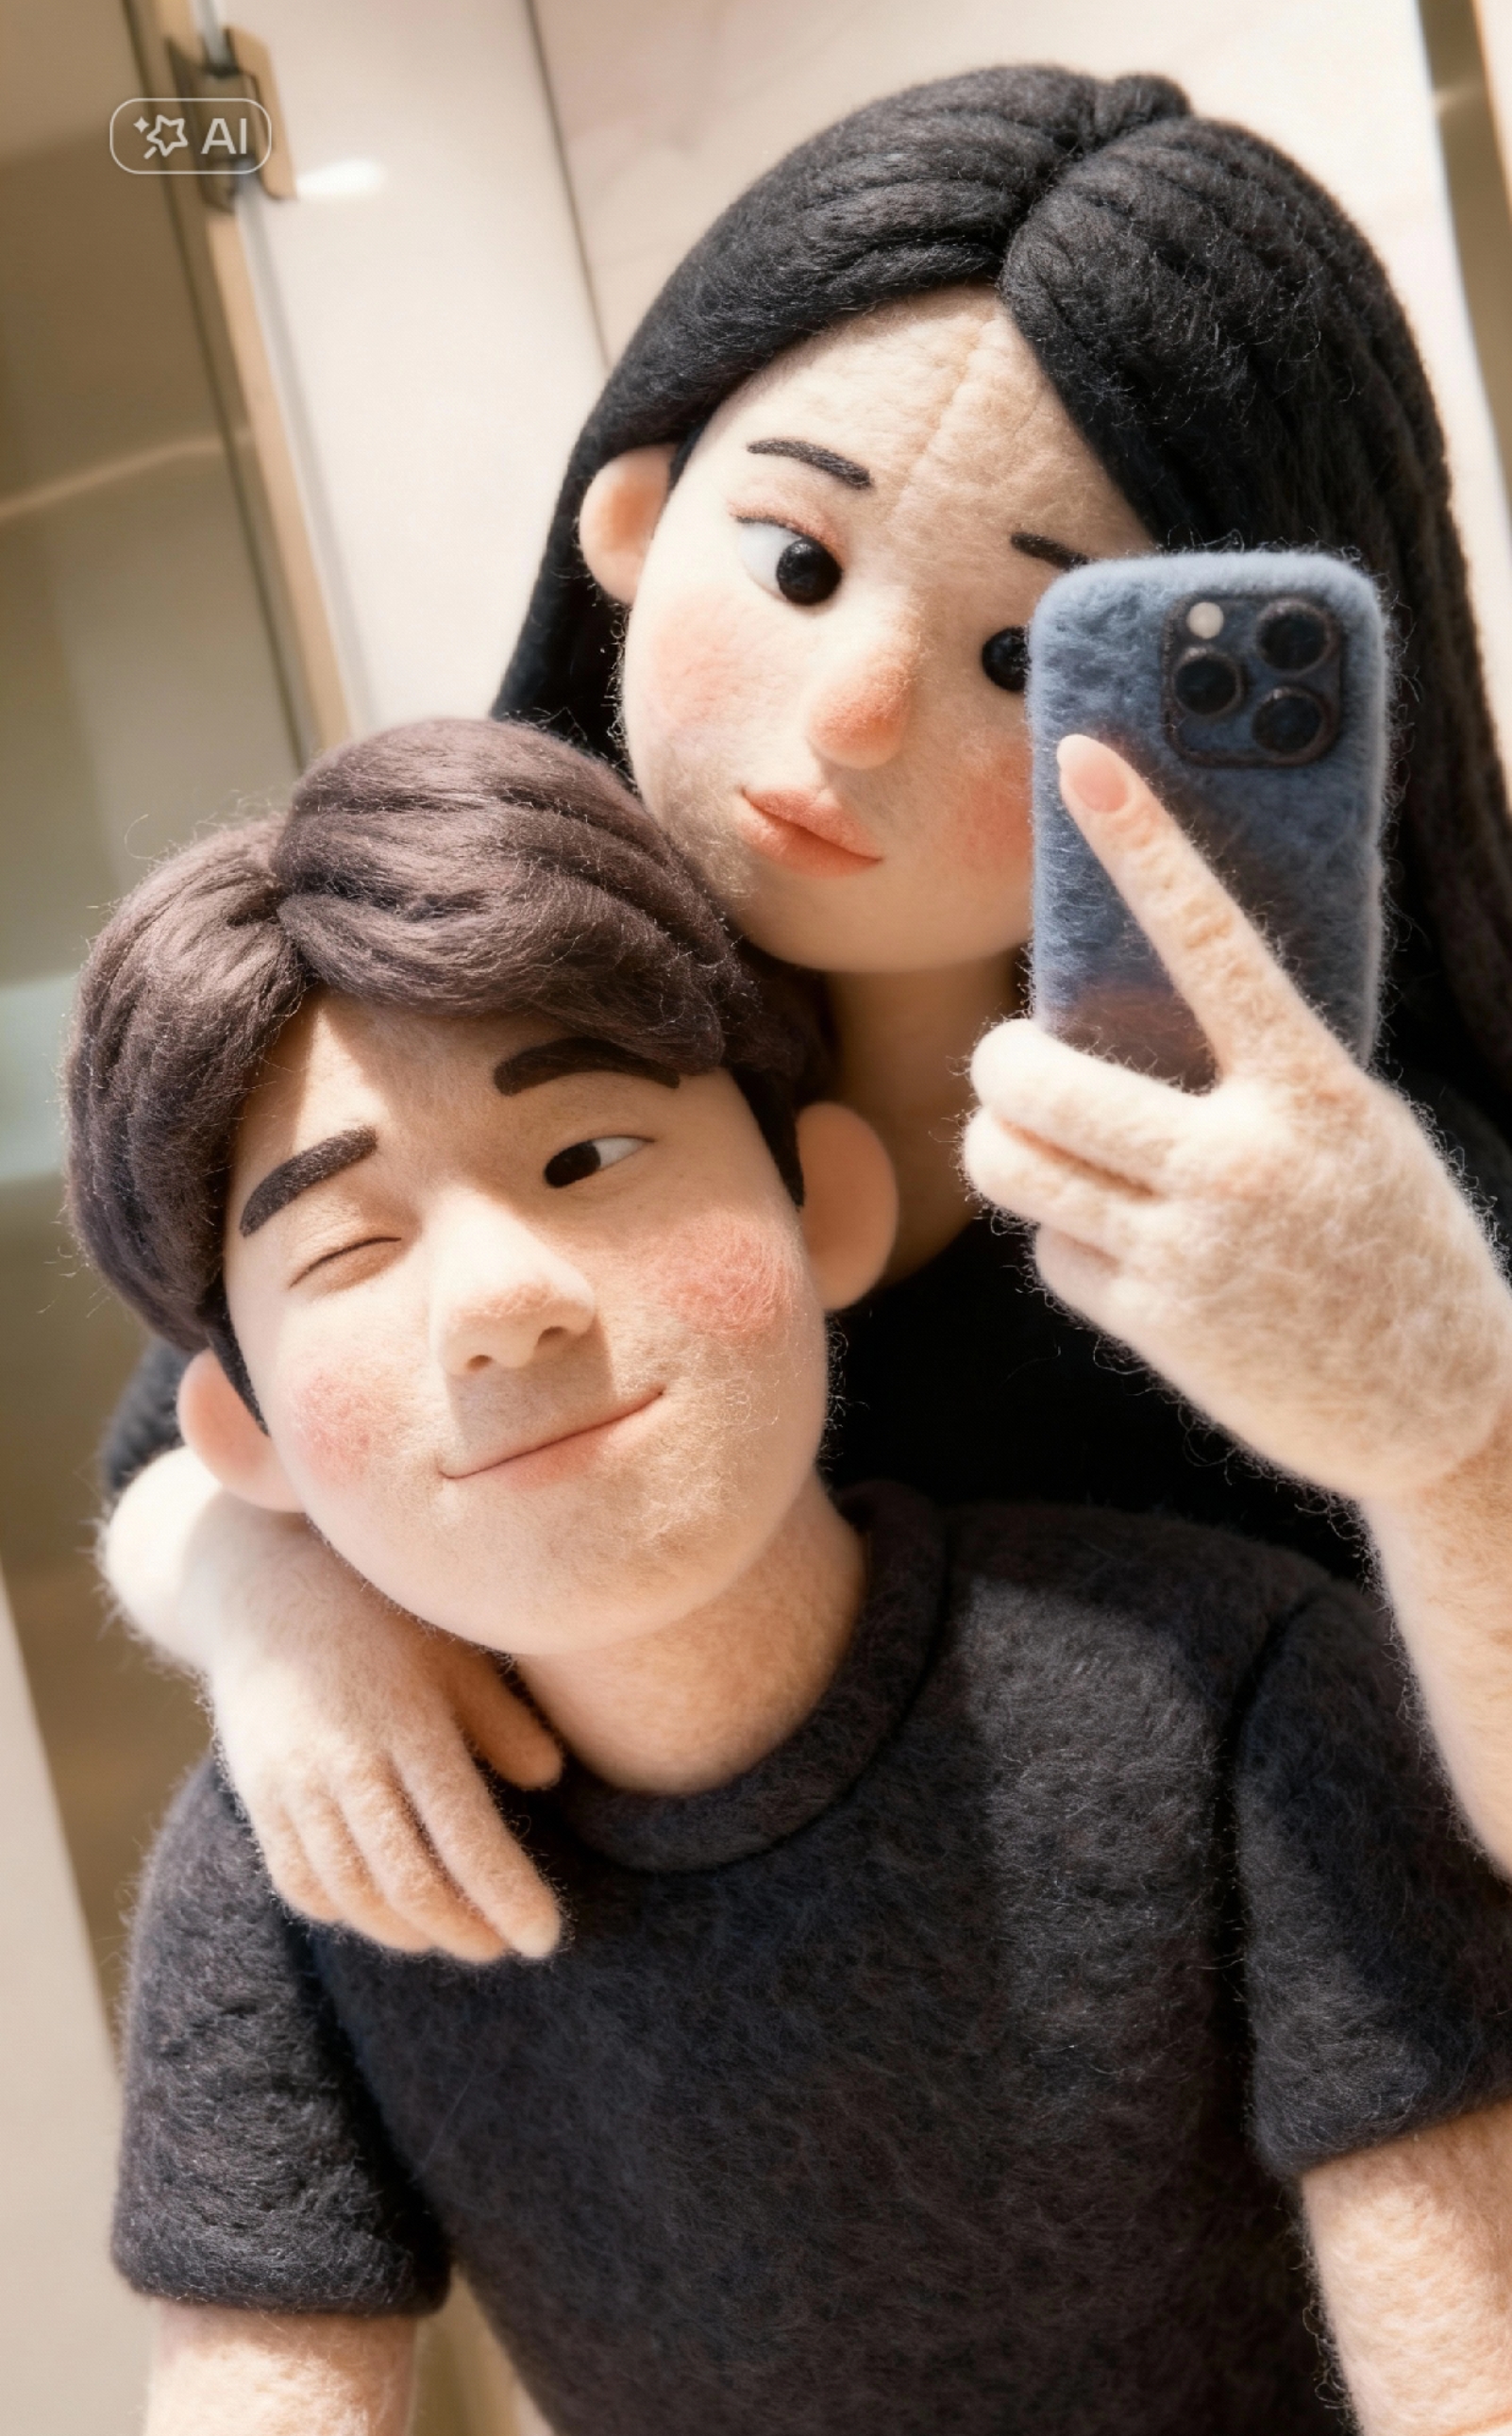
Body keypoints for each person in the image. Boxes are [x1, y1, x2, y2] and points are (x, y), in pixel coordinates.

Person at [71, 719, 1512, 2436]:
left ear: (825, 1203)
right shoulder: (289, 1872)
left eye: (588, 1157)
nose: (497, 1297)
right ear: (238, 1434)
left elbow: (1476, 2426)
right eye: (349, 1246)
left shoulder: (1231, 1684)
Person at [96, 66, 1512, 1959]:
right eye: (796, 562)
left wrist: (1454, 1440)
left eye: (1024, 650)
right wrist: (278, 1610)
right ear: (633, 513)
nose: (851, 712)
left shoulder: (1346, 1203)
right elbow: (181, 1450)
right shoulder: (468, 1000)